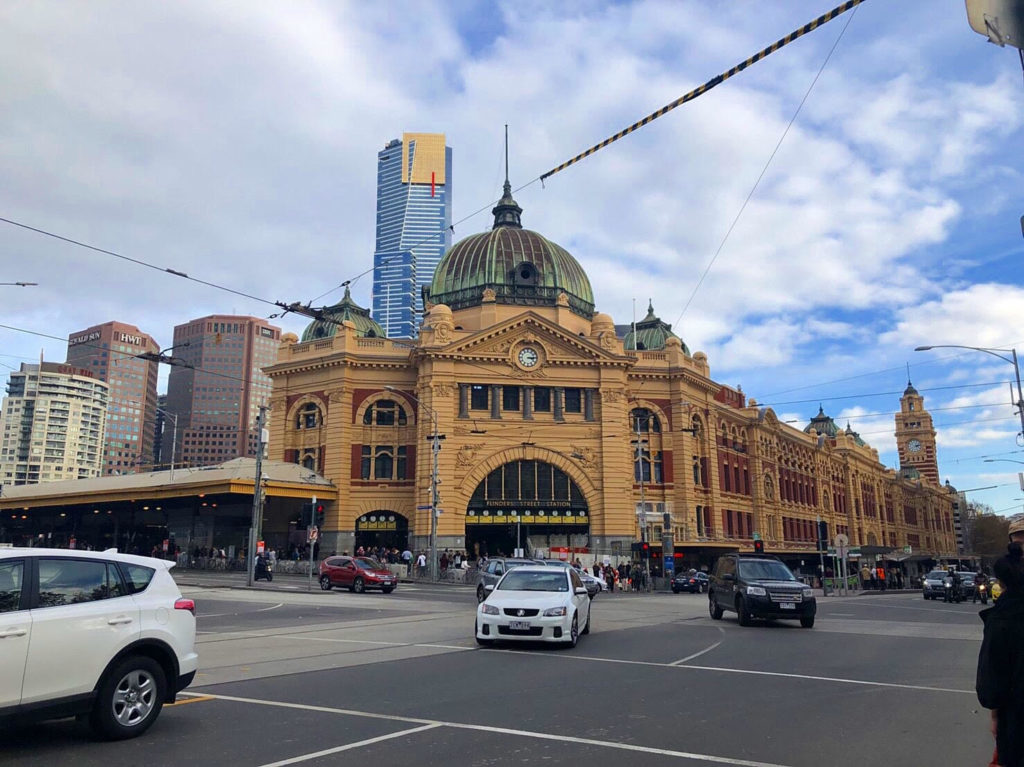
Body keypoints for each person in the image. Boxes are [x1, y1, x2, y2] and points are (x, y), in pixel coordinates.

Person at [976, 542, 1024, 766]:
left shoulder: (1000, 621)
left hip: (1015, 715)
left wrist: (995, 714)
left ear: (1001, 583)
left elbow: (992, 676)